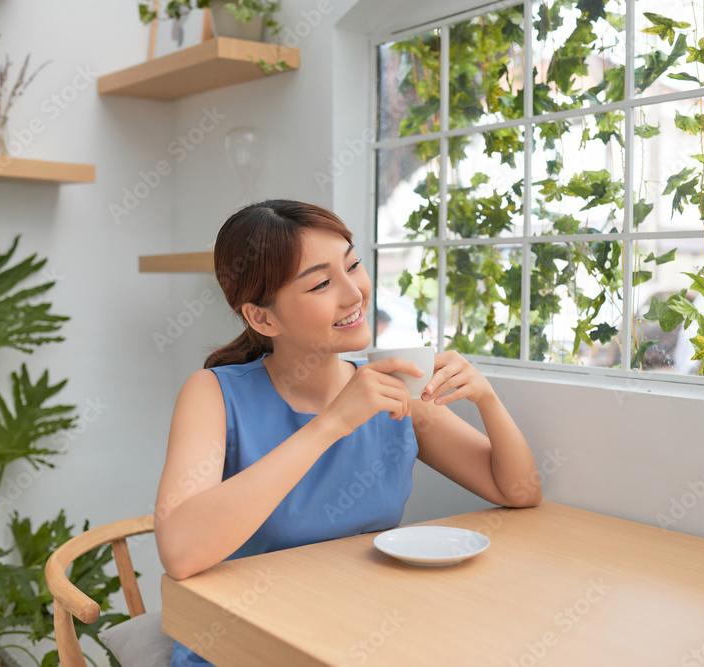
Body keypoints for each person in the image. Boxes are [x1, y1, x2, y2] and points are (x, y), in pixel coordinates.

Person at [154, 200, 541, 666]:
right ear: (262, 318)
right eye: (320, 283)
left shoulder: (396, 390)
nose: (354, 293)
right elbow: (179, 552)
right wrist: (332, 424)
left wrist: (486, 399)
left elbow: (517, 491)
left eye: (352, 265)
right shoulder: (212, 394)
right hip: (246, 643)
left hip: (359, 633)